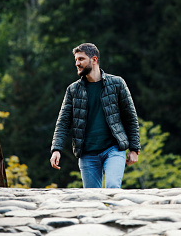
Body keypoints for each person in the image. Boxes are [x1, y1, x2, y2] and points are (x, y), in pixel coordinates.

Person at [50, 43, 140, 188]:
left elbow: (130, 118)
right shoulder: (73, 90)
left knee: (112, 187)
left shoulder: (117, 84)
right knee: (92, 198)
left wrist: (134, 149)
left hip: (114, 149)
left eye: (81, 59)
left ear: (94, 59)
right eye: (76, 60)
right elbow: (63, 122)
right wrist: (56, 149)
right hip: (87, 154)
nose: (77, 64)